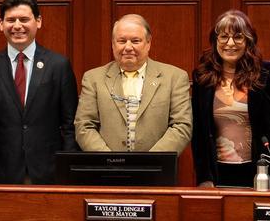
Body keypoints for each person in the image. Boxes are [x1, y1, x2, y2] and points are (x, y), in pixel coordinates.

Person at [191, 10, 270, 188]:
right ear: (215, 41)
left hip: (264, 172)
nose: (230, 43)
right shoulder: (202, 78)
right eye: (224, 37)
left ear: (248, 41)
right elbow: (199, 133)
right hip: (218, 174)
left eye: (238, 37)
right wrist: (204, 177)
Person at [0, 0, 79, 184]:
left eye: (24, 19)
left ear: (38, 21)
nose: (17, 26)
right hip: (2, 171)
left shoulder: (58, 65)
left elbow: (69, 123)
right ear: (1, 24)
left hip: (49, 171)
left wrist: (69, 170)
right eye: (10, 20)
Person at [74, 14, 192, 154]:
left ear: (148, 43)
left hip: (157, 170)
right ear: (113, 44)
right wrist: (111, 161)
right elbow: (84, 126)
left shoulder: (175, 77)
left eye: (135, 41)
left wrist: (151, 162)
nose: (128, 47)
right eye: (122, 41)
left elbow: (181, 126)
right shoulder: (93, 78)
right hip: (108, 171)